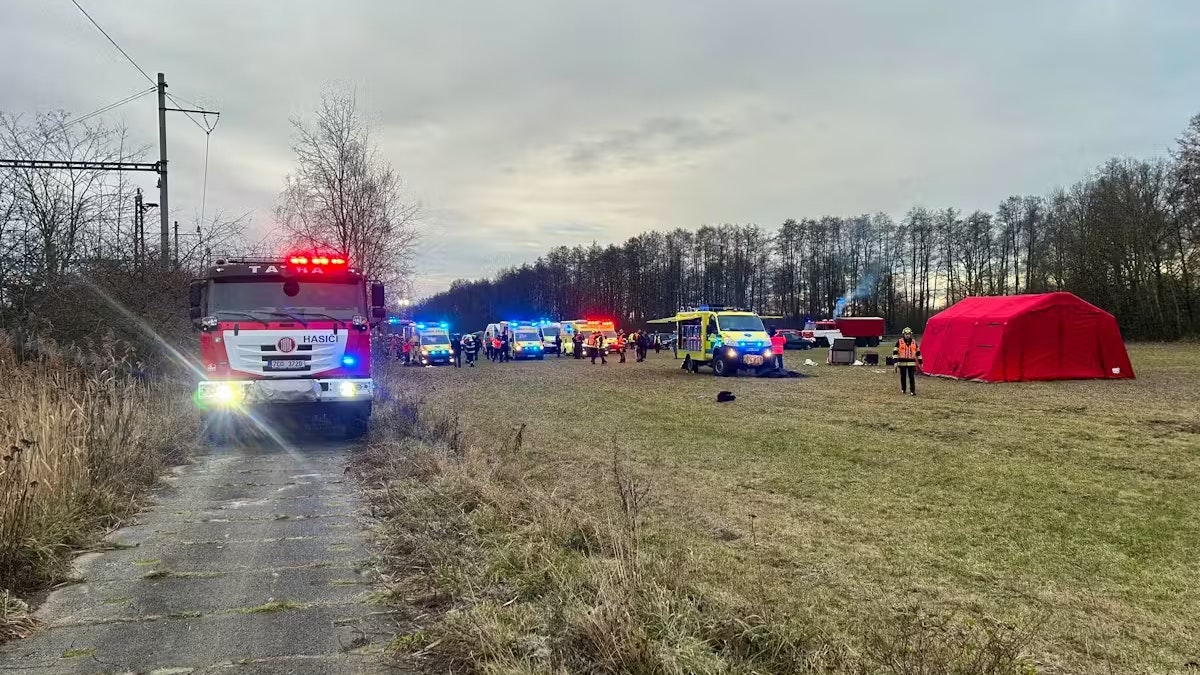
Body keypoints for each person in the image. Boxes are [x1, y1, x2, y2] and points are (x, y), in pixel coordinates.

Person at [893, 327, 923, 396]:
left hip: (911, 363)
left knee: (911, 377)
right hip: (902, 363)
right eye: (906, 334)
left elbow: (918, 353)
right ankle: (903, 389)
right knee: (903, 377)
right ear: (903, 334)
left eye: (908, 334)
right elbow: (895, 352)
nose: (907, 335)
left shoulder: (914, 342)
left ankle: (912, 391)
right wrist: (895, 362)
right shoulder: (899, 342)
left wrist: (921, 362)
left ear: (910, 334)